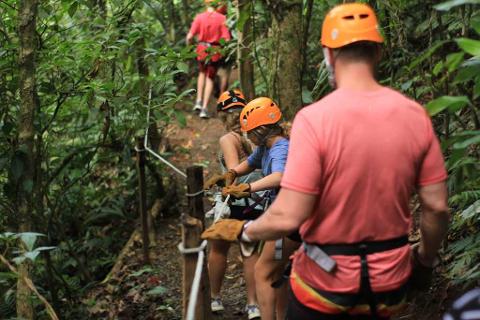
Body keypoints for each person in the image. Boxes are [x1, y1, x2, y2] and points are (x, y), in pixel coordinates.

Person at [202, 3, 450, 320]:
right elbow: (437, 207)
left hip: (324, 287)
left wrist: (245, 230)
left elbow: (290, 214)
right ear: (377, 52)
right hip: (390, 285)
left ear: (328, 55)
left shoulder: (314, 120)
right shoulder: (415, 116)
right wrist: (426, 261)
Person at [205, 97, 300, 320]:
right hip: (279, 212)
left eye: (251, 132)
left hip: (287, 216)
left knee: (264, 272)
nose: (248, 137)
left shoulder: (280, 148)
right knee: (276, 273)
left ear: (263, 129)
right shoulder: (265, 147)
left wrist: (247, 188)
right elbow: (250, 162)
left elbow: (279, 176)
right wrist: (232, 174)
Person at [203, 90, 262, 320]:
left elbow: (233, 171)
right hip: (255, 201)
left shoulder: (228, 139)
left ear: (221, 115)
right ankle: (253, 304)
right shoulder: (254, 136)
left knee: (218, 248)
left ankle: (215, 298)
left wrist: (224, 185)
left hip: (235, 201)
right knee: (249, 251)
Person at [186, 0, 230, 118]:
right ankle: (204, 109)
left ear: (206, 4)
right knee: (210, 78)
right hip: (214, 51)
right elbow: (227, 39)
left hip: (201, 49)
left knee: (201, 73)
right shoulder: (222, 18)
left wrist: (190, 47)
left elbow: (189, 37)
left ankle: (198, 101)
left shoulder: (199, 17)